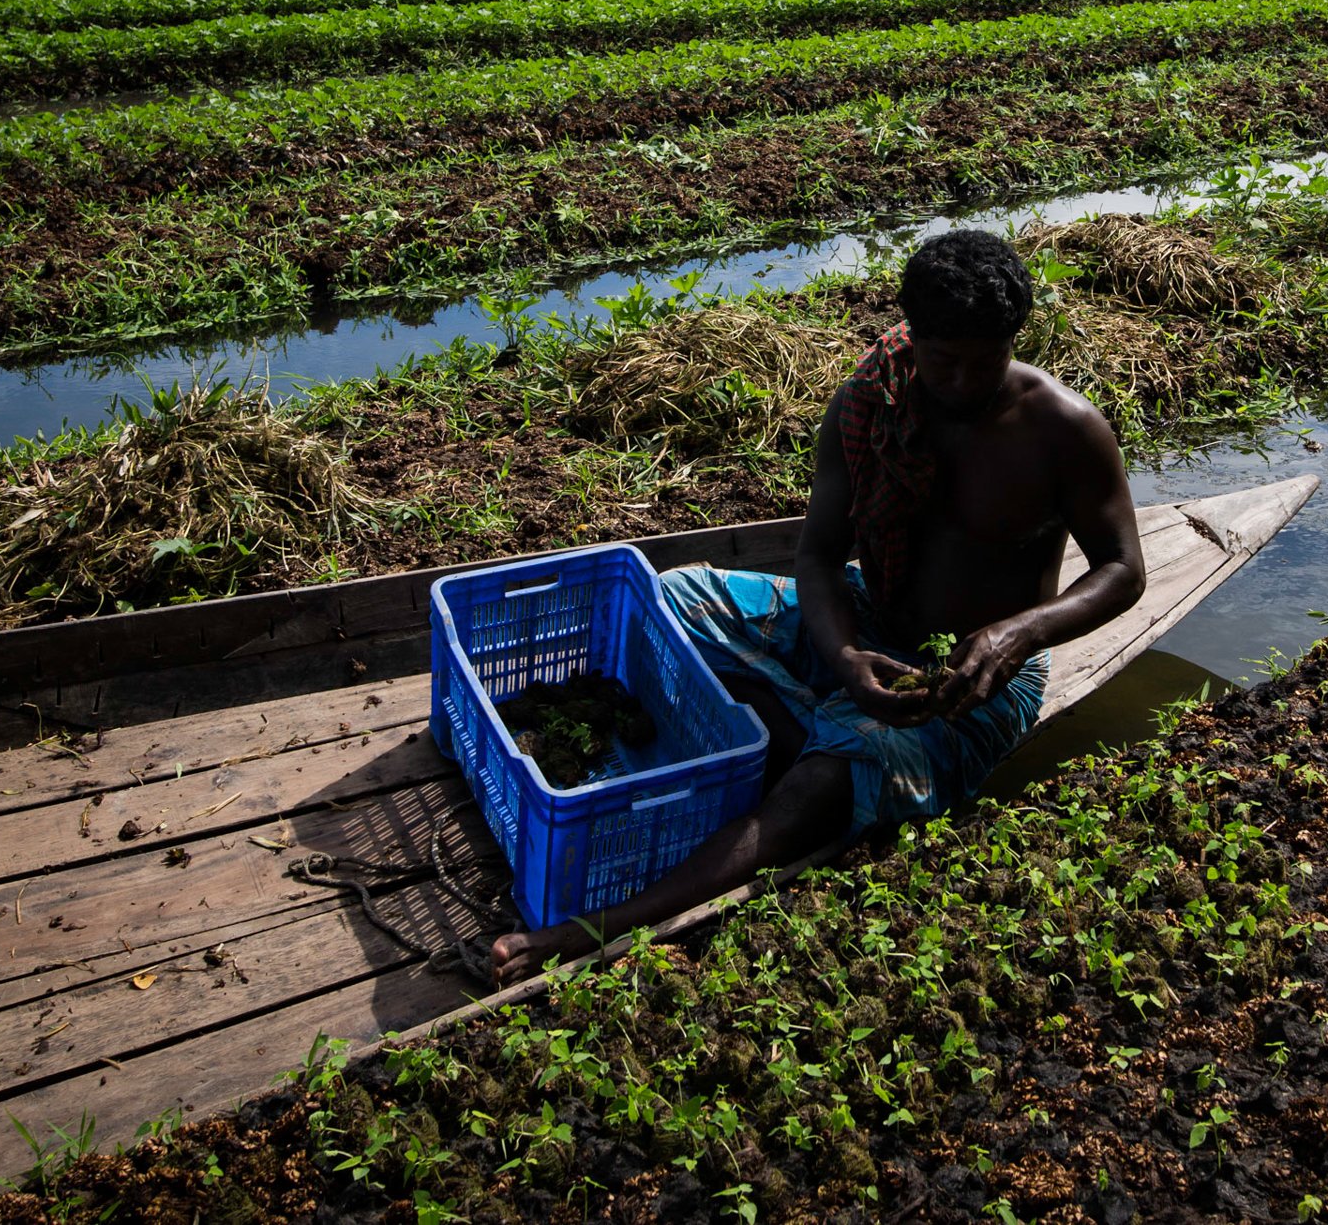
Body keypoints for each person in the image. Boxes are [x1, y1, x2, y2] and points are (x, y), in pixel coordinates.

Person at [488, 231, 1146, 985]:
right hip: (870, 614)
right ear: (913, 337)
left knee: (838, 772)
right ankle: (807, 715)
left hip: (977, 683)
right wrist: (843, 655)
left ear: (1012, 342)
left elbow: (1124, 570)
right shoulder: (873, 403)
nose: (962, 381)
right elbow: (820, 559)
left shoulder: (1065, 429)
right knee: (670, 598)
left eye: (983, 360)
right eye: (943, 361)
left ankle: (601, 926)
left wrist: (1017, 632)